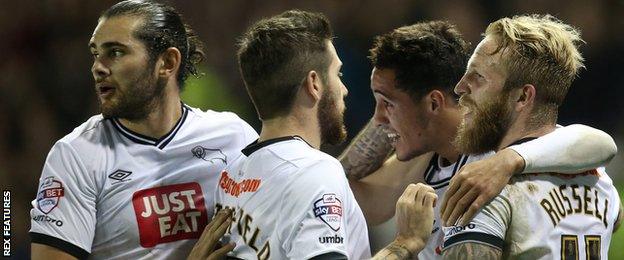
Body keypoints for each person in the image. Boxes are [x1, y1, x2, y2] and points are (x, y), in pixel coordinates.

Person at [338, 21, 618, 258]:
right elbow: (352, 193)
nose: (461, 88)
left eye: (387, 103)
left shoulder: (481, 182)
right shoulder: (598, 179)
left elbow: (601, 143)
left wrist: (404, 245)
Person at [29, 1, 257, 259]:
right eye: (96, 54)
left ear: (167, 63)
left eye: (115, 52)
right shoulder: (77, 155)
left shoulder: (235, 137)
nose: (97, 68)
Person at [210, 10, 437, 260]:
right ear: (314, 84)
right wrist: (406, 242)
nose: (344, 89)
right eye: (337, 74)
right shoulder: (315, 171)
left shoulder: (231, 174)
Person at [440, 14, 622, 259]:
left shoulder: (484, 187)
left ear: (523, 97)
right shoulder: (602, 183)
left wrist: (407, 245)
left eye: (478, 77)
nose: (460, 87)